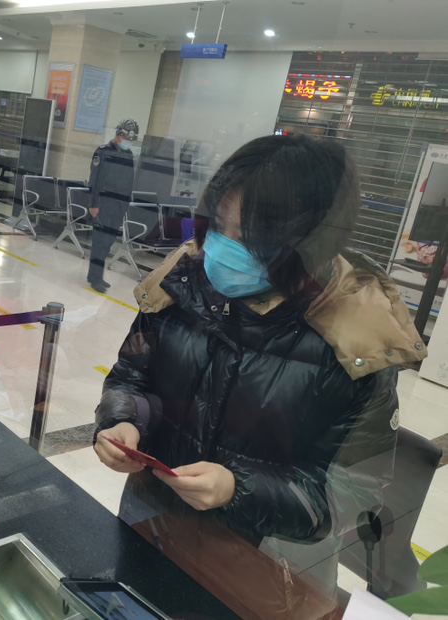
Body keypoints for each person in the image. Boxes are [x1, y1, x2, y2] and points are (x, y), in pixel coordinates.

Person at [92, 134, 426, 612]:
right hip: (151, 528)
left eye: (254, 237)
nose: (225, 248)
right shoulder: (182, 284)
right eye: (218, 225)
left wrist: (237, 488)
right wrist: (124, 420)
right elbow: (131, 377)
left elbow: (350, 494)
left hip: (267, 575)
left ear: (313, 240)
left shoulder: (357, 342)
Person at [86, 119, 139, 293]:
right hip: (103, 204)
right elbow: (94, 180)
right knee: (100, 242)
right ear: (118, 134)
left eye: (130, 140)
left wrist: (126, 204)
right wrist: (94, 204)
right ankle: (95, 278)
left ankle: (95, 275)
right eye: (126, 138)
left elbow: (129, 181)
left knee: (108, 243)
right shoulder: (103, 152)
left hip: (119, 206)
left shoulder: (128, 154)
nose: (128, 142)